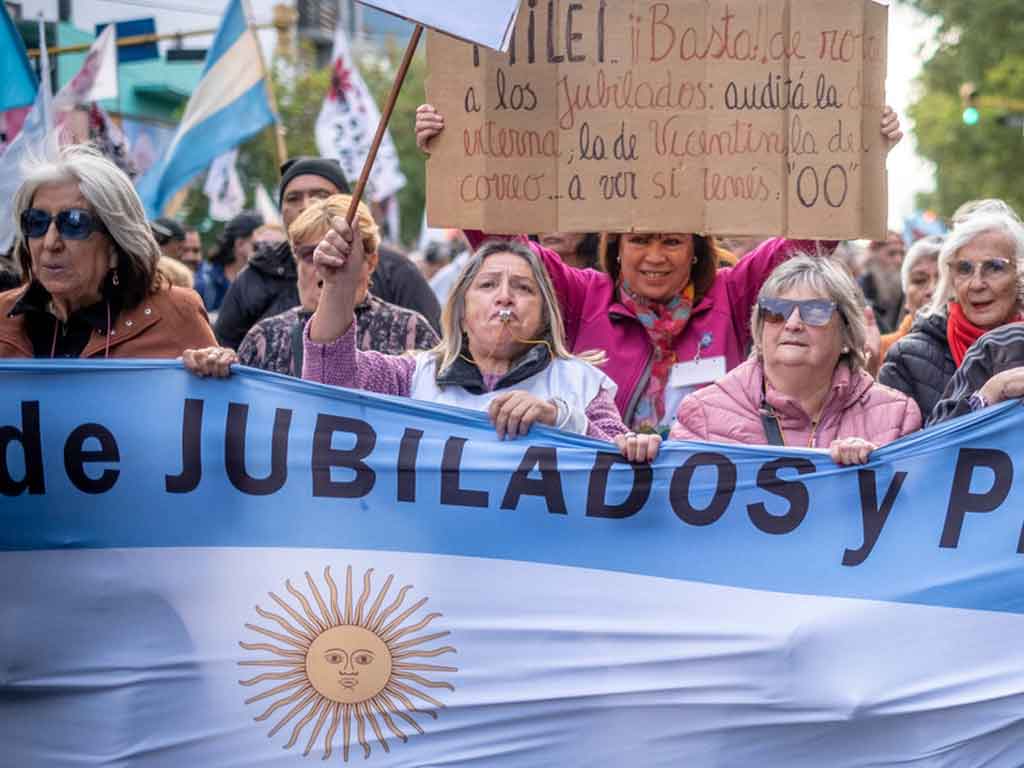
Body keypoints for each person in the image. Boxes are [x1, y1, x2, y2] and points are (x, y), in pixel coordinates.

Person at [414, 104, 902, 435]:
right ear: (616, 248)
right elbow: (507, 248)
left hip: (708, 493)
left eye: (672, 241)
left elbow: (807, 242)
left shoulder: (734, 296)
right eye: (640, 240)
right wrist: (452, 151)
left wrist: (860, 154)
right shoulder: (582, 296)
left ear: (695, 251)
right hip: (602, 488)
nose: (654, 256)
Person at [670, 257, 921, 465]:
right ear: (759, 328)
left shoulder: (897, 417)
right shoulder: (702, 414)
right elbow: (673, 510)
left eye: (814, 312)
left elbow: (917, 511)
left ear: (847, 334)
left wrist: (876, 468)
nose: (792, 324)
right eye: (776, 311)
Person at [0, 144, 215, 358]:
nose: (50, 243)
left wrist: (214, 367)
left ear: (115, 245)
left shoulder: (176, 314)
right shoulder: (3, 314)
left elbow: (211, 390)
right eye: (37, 222)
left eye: (74, 223)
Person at [214, 157, 442, 350]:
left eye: (320, 195)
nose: (306, 205)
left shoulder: (405, 311)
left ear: (370, 263)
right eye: (293, 198)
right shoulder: (263, 329)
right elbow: (225, 360)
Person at [237, 195, 438, 377]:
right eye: (310, 255)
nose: (324, 265)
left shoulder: (411, 331)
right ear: (295, 261)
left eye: (341, 253)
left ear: (371, 261)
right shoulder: (263, 339)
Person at [879, 210, 1024, 419]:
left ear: (1019, 274)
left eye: (995, 267)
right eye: (964, 269)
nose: (976, 284)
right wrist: (985, 397)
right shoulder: (907, 358)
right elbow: (900, 450)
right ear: (951, 280)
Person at [878, 235, 942, 362]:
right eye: (920, 280)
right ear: (906, 297)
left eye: (942, 281)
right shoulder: (880, 350)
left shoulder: (980, 348)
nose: (932, 290)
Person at [194, 211, 262, 314]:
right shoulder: (203, 283)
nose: (267, 250)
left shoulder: (265, 284)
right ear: (239, 244)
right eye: (258, 245)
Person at [859, 231, 906, 333]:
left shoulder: (907, 293)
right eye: (891, 253)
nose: (899, 260)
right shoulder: (858, 292)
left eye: (902, 254)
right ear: (873, 256)